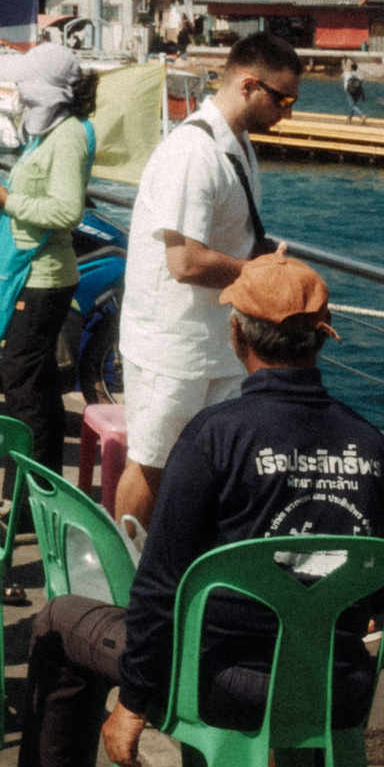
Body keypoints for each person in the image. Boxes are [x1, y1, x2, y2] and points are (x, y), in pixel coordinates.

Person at [20, 255, 384, 767]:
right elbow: (378, 593)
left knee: (58, 621)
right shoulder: (370, 444)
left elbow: (160, 585)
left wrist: (132, 704)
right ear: (321, 337)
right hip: (338, 685)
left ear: (237, 333)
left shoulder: (215, 436)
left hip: (225, 683)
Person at [113, 31, 301, 530]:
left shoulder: (236, 146)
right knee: (152, 465)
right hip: (173, 346)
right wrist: (263, 272)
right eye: (282, 100)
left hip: (217, 340)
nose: (287, 114)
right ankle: (123, 569)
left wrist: (259, 256)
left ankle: (174, 559)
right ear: (248, 85)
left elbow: (230, 237)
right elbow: (186, 262)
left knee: (206, 465)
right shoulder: (192, 153)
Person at [0, 44, 98, 474]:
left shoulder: (68, 135)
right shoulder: (49, 131)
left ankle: (28, 492)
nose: (19, 92)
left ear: (45, 90)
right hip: (32, 269)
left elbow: (67, 211)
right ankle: (37, 485)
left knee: (23, 385)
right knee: (35, 384)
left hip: (44, 276)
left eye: (24, 84)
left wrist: (5, 199)